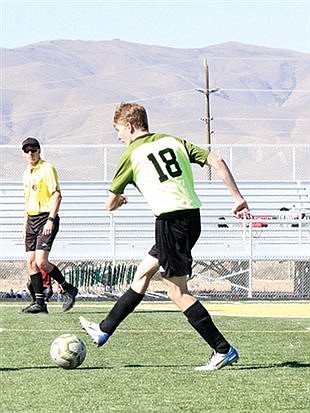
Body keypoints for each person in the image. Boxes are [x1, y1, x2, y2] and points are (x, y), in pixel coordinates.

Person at [79, 102, 250, 371]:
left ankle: (222, 349)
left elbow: (109, 203)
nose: (118, 136)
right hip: (191, 217)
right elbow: (217, 160)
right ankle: (104, 329)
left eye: (119, 130)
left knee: (176, 290)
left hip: (170, 221)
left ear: (131, 126)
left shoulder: (131, 153)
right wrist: (238, 198)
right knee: (143, 273)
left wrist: (121, 201)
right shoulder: (174, 140)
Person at [21, 136, 78, 313]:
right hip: (31, 219)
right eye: (27, 151)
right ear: (24, 153)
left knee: (41, 261)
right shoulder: (26, 173)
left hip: (46, 218)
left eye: (34, 150)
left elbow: (57, 195)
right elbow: (27, 201)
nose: (30, 153)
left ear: (39, 151)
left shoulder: (47, 168)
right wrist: (24, 226)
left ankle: (67, 288)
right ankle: (39, 303)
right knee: (31, 262)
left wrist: (51, 219)